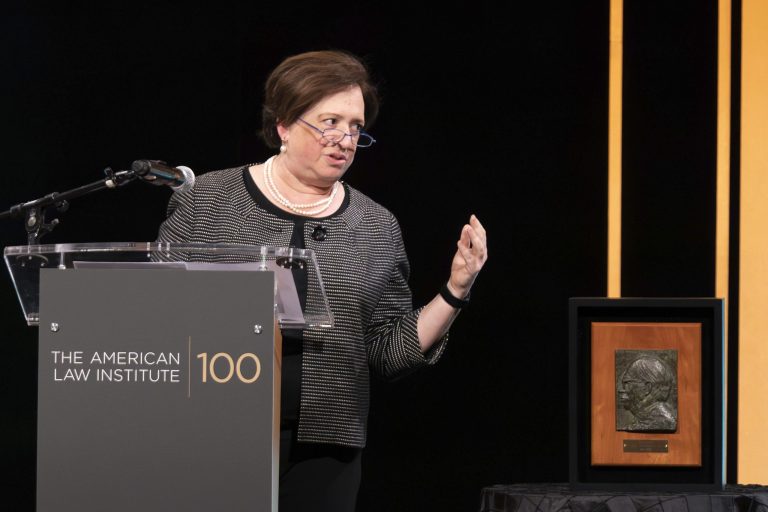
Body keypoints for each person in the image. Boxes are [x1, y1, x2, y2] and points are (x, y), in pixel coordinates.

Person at [156, 49, 488, 511]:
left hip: (325, 449)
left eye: (355, 127)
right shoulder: (208, 200)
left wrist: (455, 289)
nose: (345, 139)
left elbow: (389, 349)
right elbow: (156, 310)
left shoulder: (376, 225)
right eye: (329, 122)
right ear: (284, 126)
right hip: (213, 434)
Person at [617, 356, 677, 432]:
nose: (620, 389)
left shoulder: (663, 422)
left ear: (646, 388)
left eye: (627, 383)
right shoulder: (643, 421)